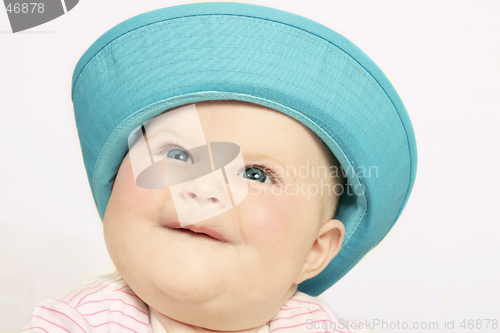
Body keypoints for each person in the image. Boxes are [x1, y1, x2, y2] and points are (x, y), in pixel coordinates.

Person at [21, 2, 417, 332]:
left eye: (255, 174)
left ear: (313, 250)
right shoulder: (78, 322)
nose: (202, 190)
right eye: (177, 155)